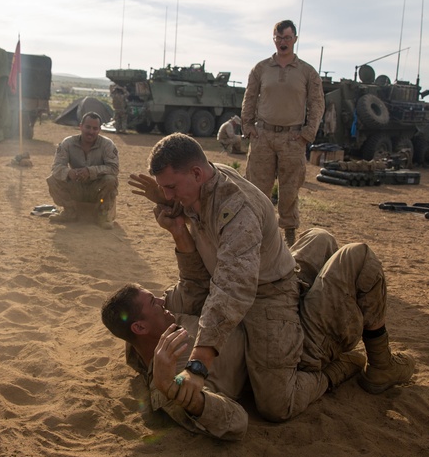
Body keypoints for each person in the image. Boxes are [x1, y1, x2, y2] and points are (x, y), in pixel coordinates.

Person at [127, 133, 413, 424]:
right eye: (165, 189)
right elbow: (204, 277)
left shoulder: (236, 209)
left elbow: (232, 289)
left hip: (268, 296)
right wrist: (170, 205)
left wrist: (198, 366)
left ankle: (377, 365)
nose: (169, 196)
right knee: (318, 239)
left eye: (172, 187)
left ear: (197, 173)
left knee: (277, 404)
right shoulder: (200, 184)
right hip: (260, 273)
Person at [102, 228, 414, 440]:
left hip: (269, 308)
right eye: (152, 302)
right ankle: (381, 365)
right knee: (356, 256)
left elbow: (191, 287)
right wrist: (179, 393)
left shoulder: (147, 338)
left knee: (319, 237)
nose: (160, 300)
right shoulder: (173, 377)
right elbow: (235, 422)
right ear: (140, 326)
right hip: (292, 345)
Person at [241, 19, 324, 245]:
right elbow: (249, 97)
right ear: (274, 39)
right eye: (278, 38)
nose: (282, 42)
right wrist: (247, 127)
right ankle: (256, 238)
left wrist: (308, 133)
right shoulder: (261, 69)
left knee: (289, 192)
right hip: (263, 137)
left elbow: (317, 103)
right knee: (257, 190)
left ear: (295, 39)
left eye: (287, 38)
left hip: (292, 139)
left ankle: (288, 239)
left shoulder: (307, 72)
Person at [47, 111, 119, 229]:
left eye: (95, 128)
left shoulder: (107, 145)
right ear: (80, 126)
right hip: (76, 186)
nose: (91, 132)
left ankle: (102, 214)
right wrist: (68, 173)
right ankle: (70, 212)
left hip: (97, 188)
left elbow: (114, 169)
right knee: (53, 179)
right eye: (88, 127)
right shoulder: (67, 143)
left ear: (99, 130)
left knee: (111, 180)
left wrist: (90, 172)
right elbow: (56, 167)